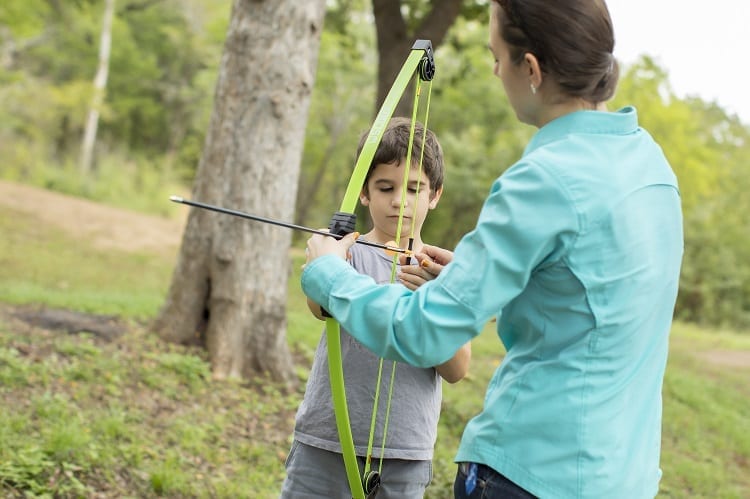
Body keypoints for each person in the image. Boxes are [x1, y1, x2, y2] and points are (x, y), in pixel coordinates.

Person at [301, 0, 684, 498]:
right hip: (623, 478)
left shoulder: (542, 180)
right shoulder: (651, 167)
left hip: (527, 474)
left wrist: (331, 274)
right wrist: (468, 279)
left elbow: (420, 331)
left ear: (531, 70)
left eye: (497, 56)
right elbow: (590, 304)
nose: (495, 70)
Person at [281, 117, 472, 498]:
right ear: (364, 193)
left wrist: (435, 301)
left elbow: (457, 369)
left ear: (435, 195)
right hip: (326, 443)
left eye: (415, 188)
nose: (399, 200)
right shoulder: (344, 256)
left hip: (404, 454)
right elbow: (319, 304)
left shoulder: (442, 275)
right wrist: (326, 261)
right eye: (385, 187)